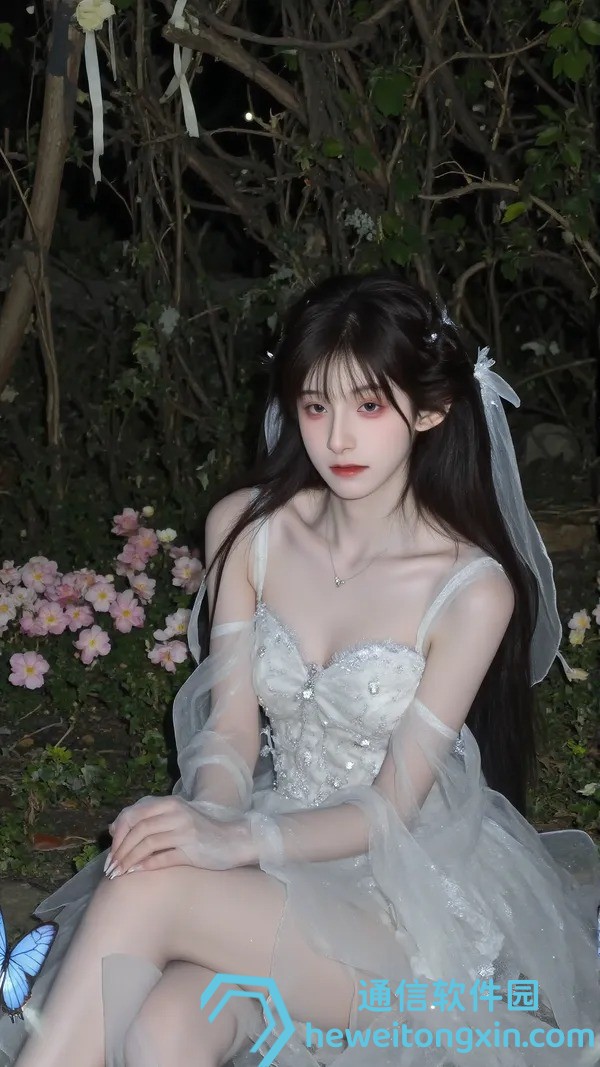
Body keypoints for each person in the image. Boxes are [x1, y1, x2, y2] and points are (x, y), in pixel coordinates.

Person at [1, 271, 598, 1067]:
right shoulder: (247, 531)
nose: (338, 438)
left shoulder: (470, 588)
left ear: (431, 409)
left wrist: (235, 840)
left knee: (147, 887)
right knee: (160, 1030)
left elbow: (390, 810)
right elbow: (231, 730)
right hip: (271, 863)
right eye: (316, 407)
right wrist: (207, 823)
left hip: (400, 911)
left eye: (369, 406)